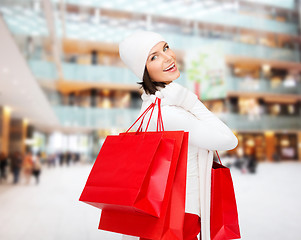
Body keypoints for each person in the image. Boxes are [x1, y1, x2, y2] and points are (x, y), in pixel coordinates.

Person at [119, 30, 238, 240]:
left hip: (163, 213)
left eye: (165, 47)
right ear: (143, 70)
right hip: (179, 214)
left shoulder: (153, 105)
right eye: (153, 56)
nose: (167, 57)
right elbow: (229, 139)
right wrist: (190, 100)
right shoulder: (168, 112)